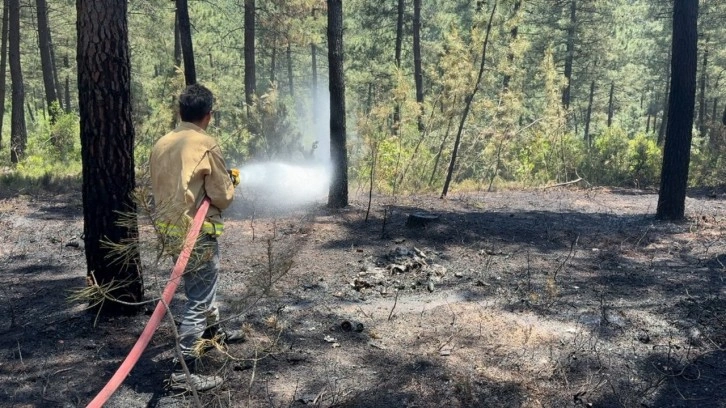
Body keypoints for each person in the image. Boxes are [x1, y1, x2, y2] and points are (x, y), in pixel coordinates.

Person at [149, 83, 244, 392]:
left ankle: (214, 334)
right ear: (209, 115)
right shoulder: (205, 143)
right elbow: (221, 196)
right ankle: (184, 372)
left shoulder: (162, 143)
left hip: (169, 232)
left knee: (202, 286)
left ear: (181, 112)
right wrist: (230, 183)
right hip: (196, 232)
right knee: (198, 296)